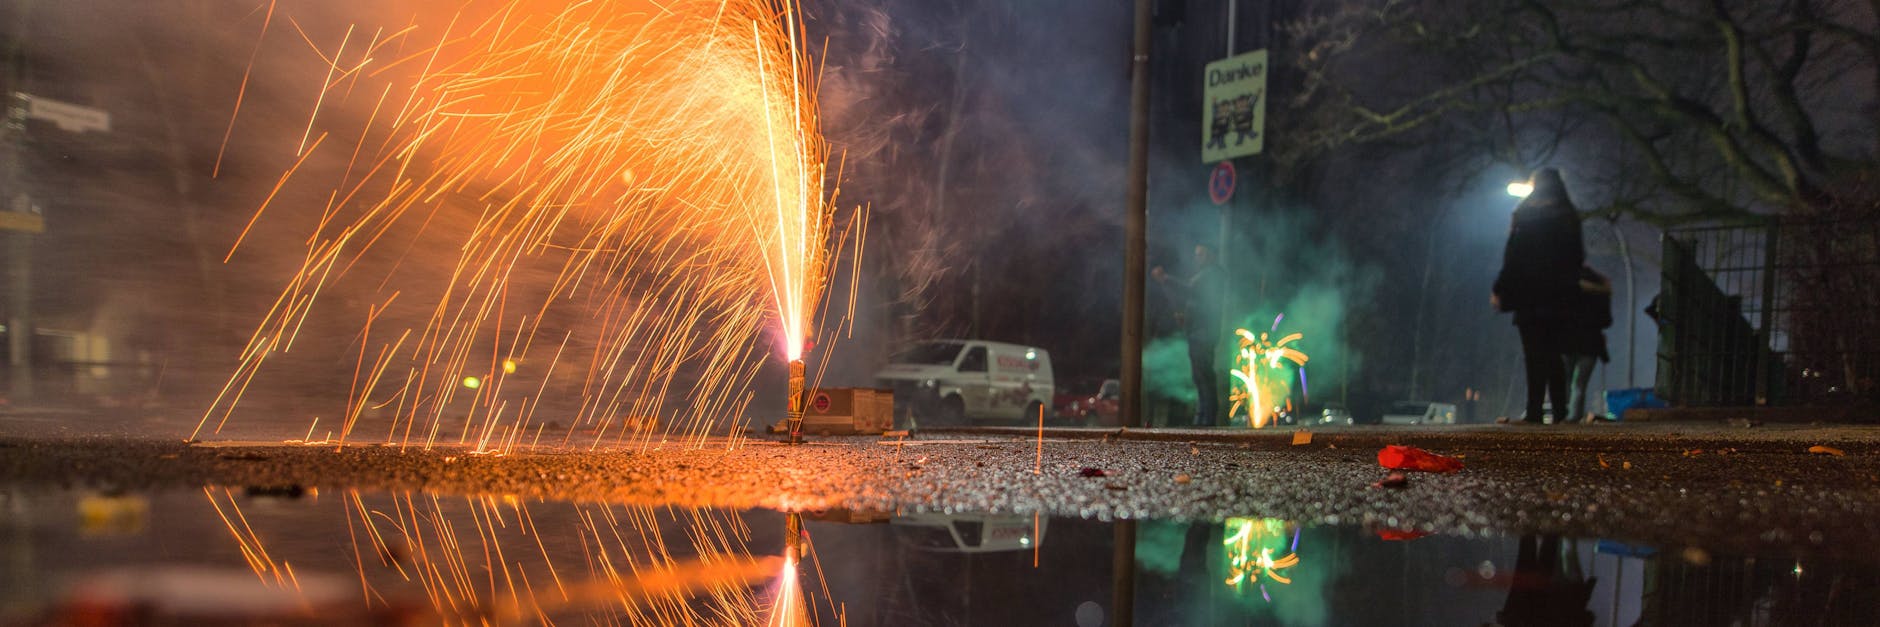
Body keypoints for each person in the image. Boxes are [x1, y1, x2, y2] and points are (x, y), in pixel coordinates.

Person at [1492, 168, 1584, 425]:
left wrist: (1501, 288)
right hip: (1560, 295)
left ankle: (1534, 410)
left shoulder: (1524, 214)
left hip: (1528, 294)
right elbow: (1577, 258)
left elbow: (1512, 256)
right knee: (1555, 353)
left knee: (1533, 352)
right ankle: (1560, 410)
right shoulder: (1569, 216)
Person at [1154, 245, 1225, 426]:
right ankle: (1202, 417)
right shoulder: (1206, 276)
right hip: (1197, 332)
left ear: (1210, 255)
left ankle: (1207, 419)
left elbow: (1190, 291)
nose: (1197, 258)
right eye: (1196, 255)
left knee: (1204, 375)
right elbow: (1197, 302)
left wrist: (1166, 279)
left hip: (1203, 334)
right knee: (1199, 376)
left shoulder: (1212, 275)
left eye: (1200, 254)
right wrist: (1187, 319)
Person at [1565, 266, 1612, 423]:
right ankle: (1574, 416)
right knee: (1580, 384)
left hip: (1568, 341)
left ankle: (1563, 413)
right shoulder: (1601, 294)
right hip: (1591, 343)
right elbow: (1607, 320)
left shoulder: (1568, 290)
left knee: (1566, 378)